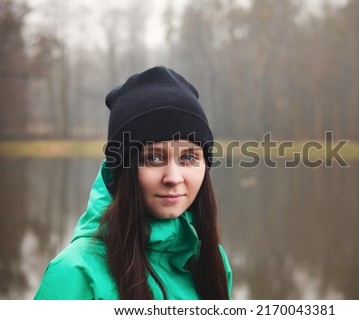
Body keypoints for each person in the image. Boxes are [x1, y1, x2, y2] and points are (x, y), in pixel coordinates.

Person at [34, 66, 232, 299]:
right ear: (123, 171)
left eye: (188, 157)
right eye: (153, 158)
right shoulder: (77, 272)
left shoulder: (211, 262)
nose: (173, 178)